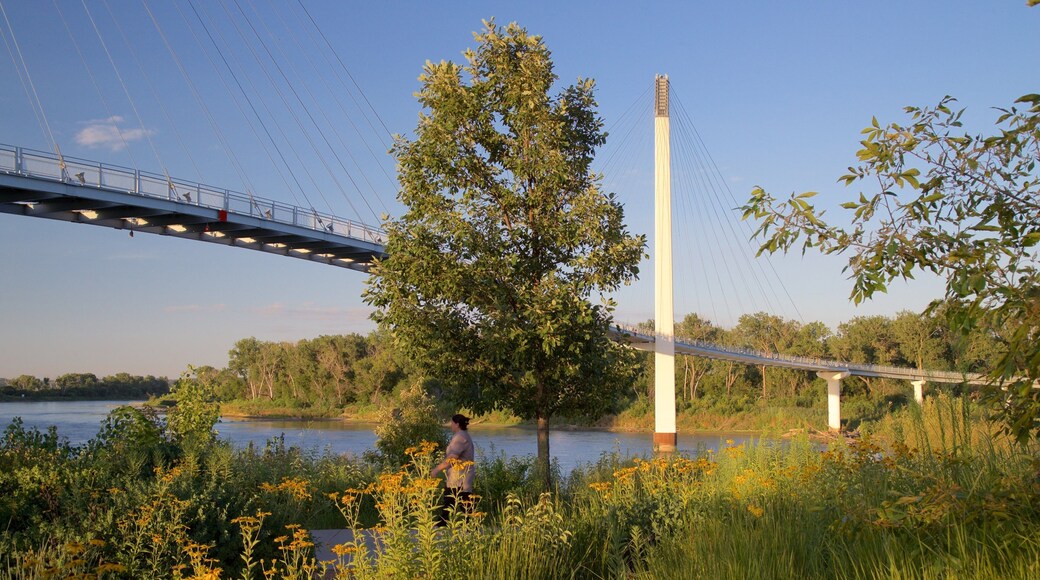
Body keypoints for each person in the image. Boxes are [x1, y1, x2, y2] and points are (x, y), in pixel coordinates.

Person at [430, 413, 475, 525]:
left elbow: (452, 458)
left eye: (452, 423)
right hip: (461, 474)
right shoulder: (464, 435)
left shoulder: (460, 437)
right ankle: (446, 521)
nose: (451, 425)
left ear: (457, 424)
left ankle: (467, 523)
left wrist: (436, 469)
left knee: (457, 498)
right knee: (454, 499)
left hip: (460, 475)